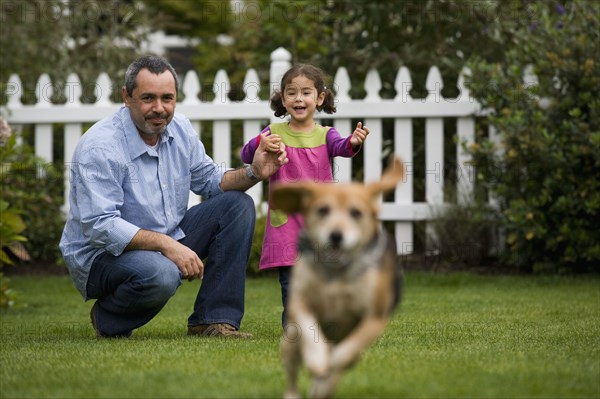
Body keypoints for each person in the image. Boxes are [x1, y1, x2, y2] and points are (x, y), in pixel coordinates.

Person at [59, 55, 288, 338]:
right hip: (100, 257)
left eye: (167, 98)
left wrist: (254, 171)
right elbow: (100, 226)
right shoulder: (100, 147)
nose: (159, 108)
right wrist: (167, 245)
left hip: (165, 239)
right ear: (126, 97)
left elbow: (211, 180)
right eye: (148, 98)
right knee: (161, 274)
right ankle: (109, 317)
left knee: (237, 206)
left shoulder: (179, 129)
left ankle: (213, 320)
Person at [240, 64, 369, 326]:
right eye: (292, 93)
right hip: (286, 221)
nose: (299, 99)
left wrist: (354, 142)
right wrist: (259, 144)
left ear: (319, 98)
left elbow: (342, 147)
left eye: (306, 93)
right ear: (283, 99)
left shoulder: (325, 135)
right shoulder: (274, 132)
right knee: (291, 278)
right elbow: (246, 154)